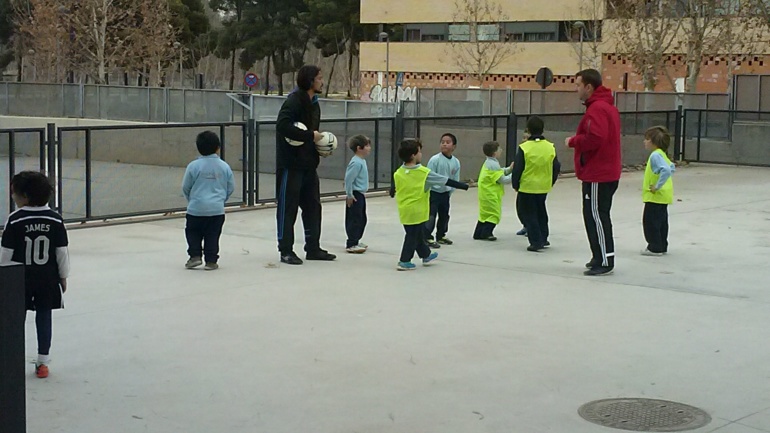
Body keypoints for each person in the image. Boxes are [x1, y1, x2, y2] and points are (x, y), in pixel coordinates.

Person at [0, 171, 70, 379]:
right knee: (44, 316)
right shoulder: (56, 220)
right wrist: (63, 276)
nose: (12, 197)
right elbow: (61, 252)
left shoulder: (15, 220)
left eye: (14, 193)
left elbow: (6, 255)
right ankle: (43, 362)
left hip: (19, 278)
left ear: (25, 197)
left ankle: (11, 362)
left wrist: (5, 279)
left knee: (15, 319)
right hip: (47, 278)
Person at [275, 64, 336, 265]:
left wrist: (321, 145)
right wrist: (310, 135)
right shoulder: (294, 101)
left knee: (313, 207)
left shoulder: (315, 103)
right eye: (319, 78)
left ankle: (313, 247)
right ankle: (285, 250)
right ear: (310, 80)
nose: (322, 81)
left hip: (309, 164)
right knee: (288, 208)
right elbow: (283, 126)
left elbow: (314, 134)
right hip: (290, 165)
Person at [566, 68, 622, 276]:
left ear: (588, 87)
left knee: (597, 216)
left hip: (599, 173)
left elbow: (595, 138)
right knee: (592, 215)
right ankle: (598, 255)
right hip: (600, 171)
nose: (576, 89)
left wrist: (574, 141)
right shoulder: (604, 107)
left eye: (578, 85)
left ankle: (605, 260)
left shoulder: (597, 109)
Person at [392, 139, 469, 271]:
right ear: (413, 155)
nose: (421, 154)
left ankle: (426, 255)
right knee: (412, 236)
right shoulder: (424, 173)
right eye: (419, 152)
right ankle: (404, 260)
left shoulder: (398, 172)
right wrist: (464, 186)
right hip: (418, 210)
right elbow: (444, 180)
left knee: (417, 234)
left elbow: (395, 188)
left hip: (404, 210)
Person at [182, 131, 235, 270]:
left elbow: (186, 187)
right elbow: (230, 187)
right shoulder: (224, 166)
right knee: (213, 235)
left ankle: (195, 256)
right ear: (218, 147)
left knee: (192, 232)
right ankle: (211, 260)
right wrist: (221, 200)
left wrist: (192, 200)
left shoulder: (193, 166)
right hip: (216, 210)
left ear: (198, 148)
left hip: (196, 209)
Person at [511, 116, 561, 252]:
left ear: (528, 130)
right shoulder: (550, 147)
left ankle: (535, 241)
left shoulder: (524, 148)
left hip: (527, 186)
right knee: (541, 212)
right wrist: (551, 181)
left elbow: (518, 168)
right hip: (544, 185)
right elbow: (556, 166)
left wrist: (515, 184)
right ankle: (544, 238)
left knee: (529, 214)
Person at [641, 126, 675, 257]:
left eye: (647, 139)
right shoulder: (662, 154)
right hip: (664, 195)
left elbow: (666, 170)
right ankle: (662, 244)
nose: (644, 142)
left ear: (653, 142)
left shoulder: (655, 155)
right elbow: (671, 167)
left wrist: (656, 186)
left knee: (650, 222)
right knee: (661, 221)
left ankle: (654, 247)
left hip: (655, 195)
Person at [424, 133, 461, 248]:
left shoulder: (456, 162)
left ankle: (441, 235)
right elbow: (429, 177)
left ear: (454, 146)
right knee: (431, 216)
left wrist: (450, 191)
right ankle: (427, 237)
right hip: (434, 193)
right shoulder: (435, 160)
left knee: (444, 215)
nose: (444, 144)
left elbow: (455, 178)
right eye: (442, 142)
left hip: (445, 193)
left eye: (448, 142)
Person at [474, 141, 514, 241]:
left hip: (485, 193)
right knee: (494, 214)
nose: (501, 150)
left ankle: (478, 233)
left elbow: (499, 171)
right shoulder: (493, 164)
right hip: (490, 194)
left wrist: (509, 169)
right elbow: (503, 179)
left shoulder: (490, 162)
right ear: (494, 153)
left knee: (485, 214)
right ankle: (486, 233)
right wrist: (516, 175)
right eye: (499, 149)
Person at [344, 135, 372, 254]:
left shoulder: (361, 161)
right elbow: (349, 179)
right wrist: (349, 194)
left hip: (360, 194)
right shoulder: (356, 163)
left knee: (361, 218)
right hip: (355, 194)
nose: (369, 148)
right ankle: (351, 242)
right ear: (359, 148)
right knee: (354, 219)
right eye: (367, 145)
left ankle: (356, 240)